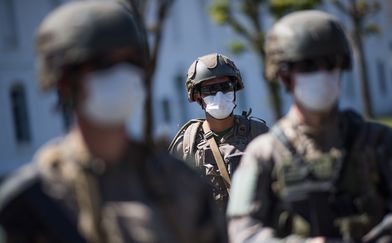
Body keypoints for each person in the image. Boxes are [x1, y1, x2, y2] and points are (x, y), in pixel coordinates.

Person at [0, 2, 226, 243]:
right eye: (103, 64)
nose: (121, 74)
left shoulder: (181, 183)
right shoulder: (34, 202)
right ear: (66, 81)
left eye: (131, 62)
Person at [227, 10, 392, 243]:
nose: (321, 73)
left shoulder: (379, 142)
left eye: (329, 63)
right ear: (284, 75)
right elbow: (243, 232)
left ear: (342, 65)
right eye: (307, 66)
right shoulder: (264, 154)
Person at [168, 53, 268, 212]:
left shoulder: (258, 134)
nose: (219, 95)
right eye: (210, 90)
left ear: (235, 88)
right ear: (198, 96)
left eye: (226, 87)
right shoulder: (187, 144)